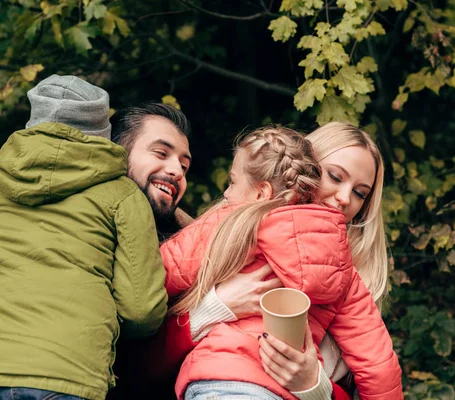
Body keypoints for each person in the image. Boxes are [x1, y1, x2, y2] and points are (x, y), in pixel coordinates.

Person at [0, 99, 201, 400]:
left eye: (184, 166)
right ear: (113, 154)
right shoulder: (26, 227)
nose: (176, 170)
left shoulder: (196, 245)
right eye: (161, 153)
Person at [144, 122, 392, 399]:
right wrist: (215, 307)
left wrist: (316, 387)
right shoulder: (237, 223)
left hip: (217, 378)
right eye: (334, 176)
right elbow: (137, 353)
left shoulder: (341, 270)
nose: (345, 198)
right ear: (300, 166)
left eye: (360, 193)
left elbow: (150, 281)